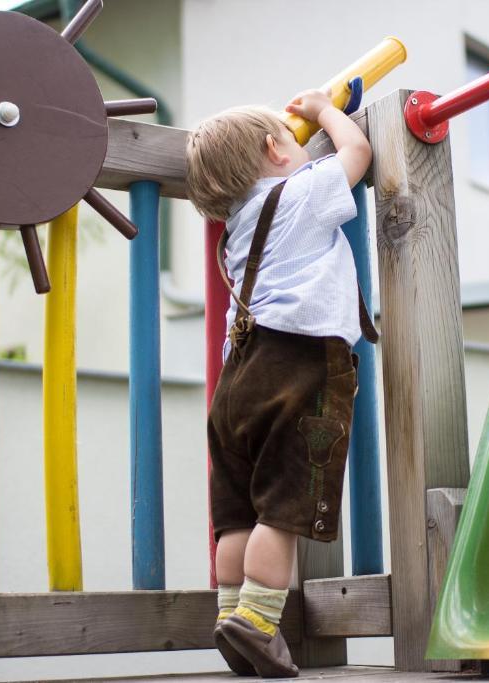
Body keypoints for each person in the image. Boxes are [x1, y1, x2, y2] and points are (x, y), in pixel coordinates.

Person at [185, 88, 375, 678]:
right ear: (275, 150)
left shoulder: (234, 236)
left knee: (239, 514)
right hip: (298, 365)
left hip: (236, 380)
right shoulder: (302, 193)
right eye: (293, 140)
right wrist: (324, 112)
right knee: (283, 512)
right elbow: (358, 151)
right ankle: (257, 622)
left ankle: (230, 614)